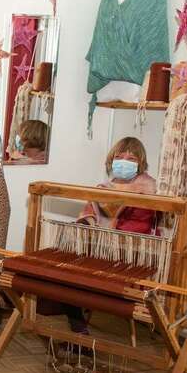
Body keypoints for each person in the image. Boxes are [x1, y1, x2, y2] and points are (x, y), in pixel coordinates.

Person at [66, 136, 157, 335]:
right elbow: (89, 214)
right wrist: (83, 225)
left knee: (76, 275)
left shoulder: (149, 190)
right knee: (63, 271)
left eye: (131, 159)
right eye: (119, 157)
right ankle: (78, 328)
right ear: (111, 160)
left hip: (130, 256)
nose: (124, 161)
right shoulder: (103, 189)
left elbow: (140, 226)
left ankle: (78, 330)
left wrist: (107, 239)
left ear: (140, 164)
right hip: (103, 251)